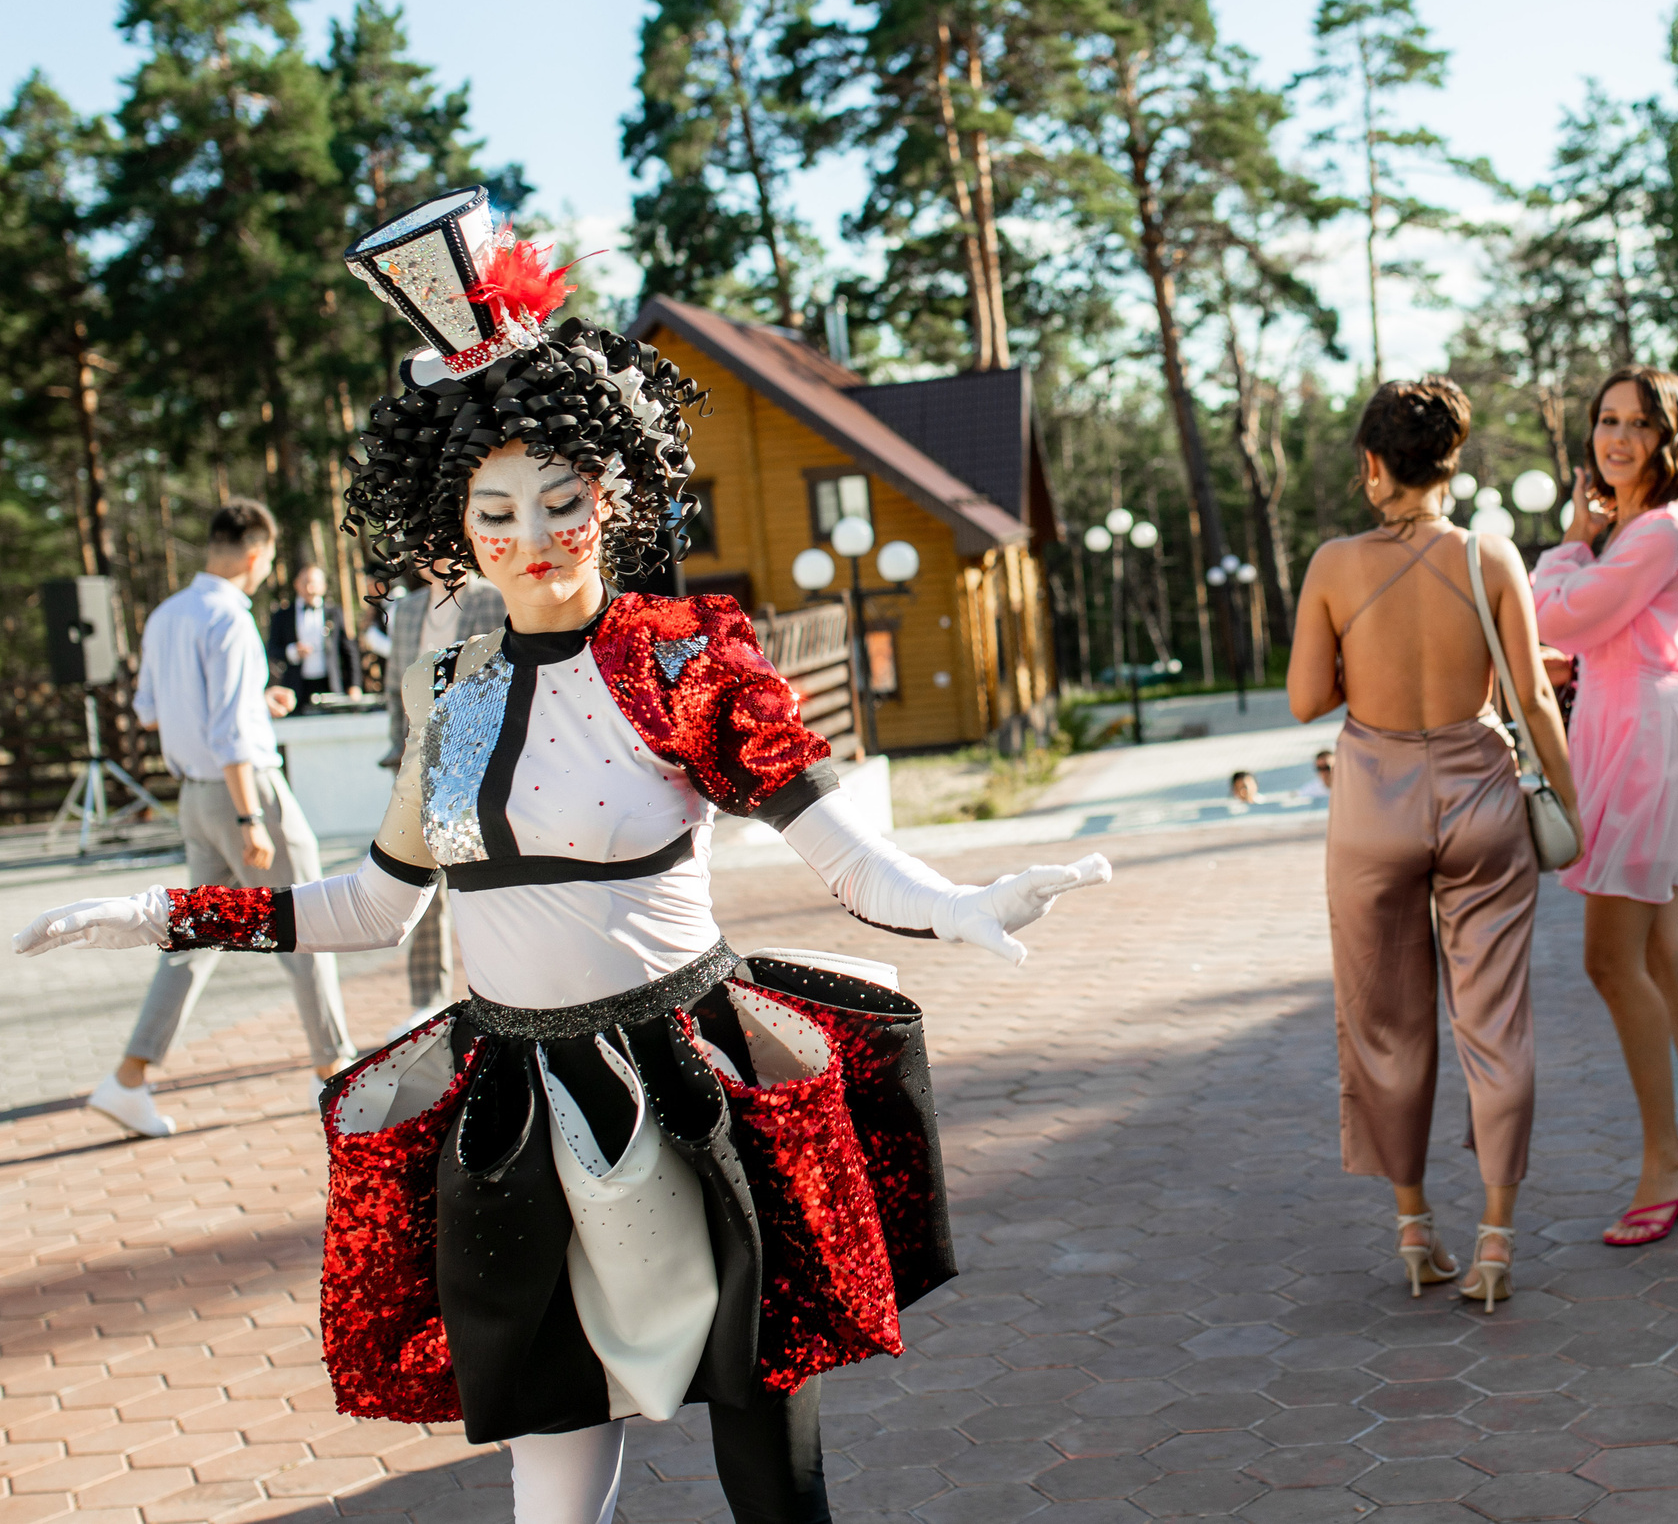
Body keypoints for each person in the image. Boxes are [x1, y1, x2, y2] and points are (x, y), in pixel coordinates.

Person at [15, 186, 1113, 1524]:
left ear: (618, 489)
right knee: (550, 1448)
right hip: (515, 1103)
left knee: (768, 1456)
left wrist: (957, 901)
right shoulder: (461, 690)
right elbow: (367, 903)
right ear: (453, 526)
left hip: (689, 1078)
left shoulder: (683, 660)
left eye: (562, 499)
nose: (531, 539)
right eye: (496, 510)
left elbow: (846, 855)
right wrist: (165, 911)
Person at [1290, 376, 1577, 1312]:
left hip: (1374, 802)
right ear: (1453, 462)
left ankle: (1415, 1230)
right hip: (1483, 793)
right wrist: (1573, 811)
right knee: (1496, 1023)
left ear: (1374, 465)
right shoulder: (1492, 556)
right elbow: (1532, 697)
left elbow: (1304, 700)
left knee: (1383, 1018)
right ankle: (1495, 1243)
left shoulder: (1334, 563)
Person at [1538, 367, 1678, 1246]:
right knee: (1666, 951)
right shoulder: (1638, 528)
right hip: (1623, 731)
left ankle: (1666, 1159)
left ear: (1671, 439)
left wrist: (1564, 547)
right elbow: (1588, 630)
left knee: (1611, 960)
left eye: (1638, 424)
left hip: (1634, 745)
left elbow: (1564, 616)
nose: (1618, 438)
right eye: (1606, 420)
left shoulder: (1663, 529)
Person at [87, 500, 357, 1137]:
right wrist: (249, 817)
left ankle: (129, 1078)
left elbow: (152, 710)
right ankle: (338, 1073)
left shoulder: (165, 616)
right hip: (245, 793)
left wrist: (255, 702)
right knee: (308, 922)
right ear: (257, 554)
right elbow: (235, 735)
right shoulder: (232, 620)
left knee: (192, 936)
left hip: (194, 795)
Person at [378, 569, 507, 1018]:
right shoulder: (408, 608)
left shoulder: (494, 597)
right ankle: (425, 1002)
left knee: (483, 882)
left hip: (480, 762)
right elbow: (397, 684)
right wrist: (399, 749)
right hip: (419, 763)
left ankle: (499, 990)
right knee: (417, 882)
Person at [268, 563, 358, 713]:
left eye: (314, 583)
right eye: (305, 583)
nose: (310, 588)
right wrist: (293, 652)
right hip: (296, 688)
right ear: (296, 584)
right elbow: (272, 649)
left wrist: (354, 685)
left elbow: (349, 650)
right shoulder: (282, 616)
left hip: (330, 685)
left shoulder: (335, 613)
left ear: (323, 586)